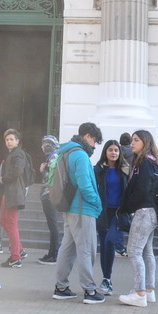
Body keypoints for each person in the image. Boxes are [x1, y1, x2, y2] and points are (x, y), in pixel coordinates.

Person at [51, 121, 105, 304]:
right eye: (95, 141)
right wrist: (97, 202)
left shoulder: (66, 151)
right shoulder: (80, 155)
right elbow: (85, 185)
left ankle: (61, 287)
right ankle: (89, 291)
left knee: (67, 249)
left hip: (70, 208)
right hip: (83, 209)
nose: (95, 146)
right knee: (86, 250)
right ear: (88, 136)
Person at [118, 129, 158, 307]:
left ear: (145, 142)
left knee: (134, 251)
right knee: (147, 252)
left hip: (143, 211)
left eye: (136, 140)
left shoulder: (143, 163)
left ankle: (139, 293)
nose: (132, 143)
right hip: (152, 212)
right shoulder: (154, 162)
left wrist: (127, 206)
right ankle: (149, 291)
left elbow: (142, 189)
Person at [94, 139, 129, 295]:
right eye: (110, 150)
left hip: (118, 213)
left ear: (119, 152)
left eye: (116, 150)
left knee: (110, 241)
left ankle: (107, 279)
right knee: (104, 245)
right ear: (105, 152)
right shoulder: (99, 170)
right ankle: (106, 279)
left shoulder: (126, 170)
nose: (113, 152)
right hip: (102, 212)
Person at [0, 128, 31, 269]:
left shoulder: (18, 154)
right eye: (7, 140)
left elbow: (18, 170)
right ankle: (19, 250)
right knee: (4, 222)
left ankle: (16, 258)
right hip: (9, 193)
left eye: (12, 139)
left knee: (10, 223)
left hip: (14, 193)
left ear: (17, 141)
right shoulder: (13, 154)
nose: (9, 141)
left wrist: (4, 178)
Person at [38, 135, 64, 264]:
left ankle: (54, 254)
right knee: (52, 225)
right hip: (48, 195)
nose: (42, 147)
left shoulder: (53, 157)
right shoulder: (52, 157)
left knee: (53, 226)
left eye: (44, 144)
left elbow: (52, 178)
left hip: (50, 195)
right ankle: (51, 253)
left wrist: (42, 171)